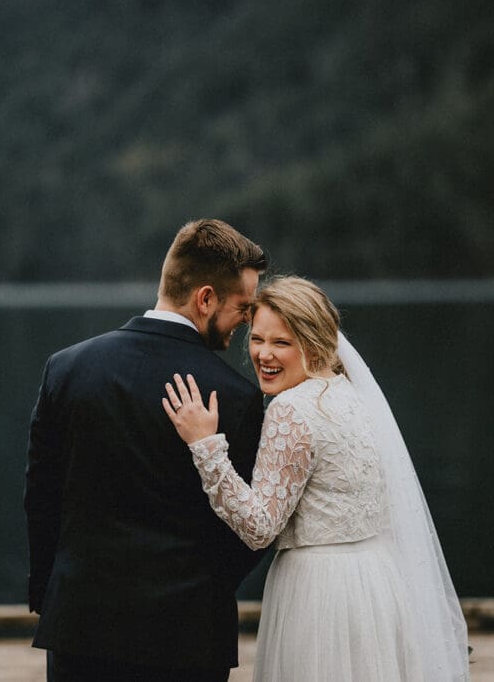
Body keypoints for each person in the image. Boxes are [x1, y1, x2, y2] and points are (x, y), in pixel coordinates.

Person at [163, 276, 470, 681]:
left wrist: (206, 447)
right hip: (376, 583)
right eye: (257, 339)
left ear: (313, 344)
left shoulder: (289, 411)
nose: (264, 355)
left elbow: (259, 527)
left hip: (320, 595)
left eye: (281, 343)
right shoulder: (351, 394)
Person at [24, 219, 269, 682]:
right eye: (244, 306)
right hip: (188, 634)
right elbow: (249, 528)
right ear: (205, 299)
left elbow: (42, 495)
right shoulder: (235, 396)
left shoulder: (67, 369)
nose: (248, 320)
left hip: (80, 624)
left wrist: (49, 590)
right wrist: (204, 590)